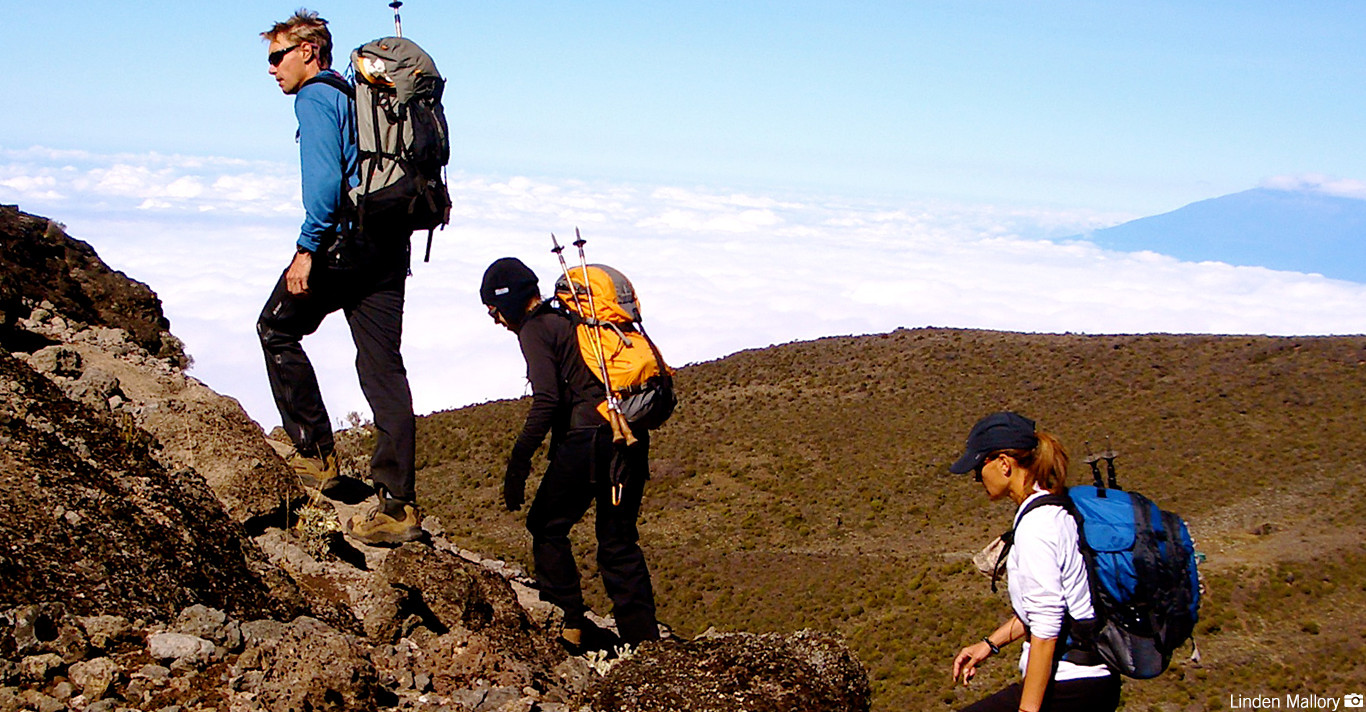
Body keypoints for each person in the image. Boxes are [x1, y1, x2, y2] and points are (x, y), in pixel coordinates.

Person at [258, 9, 421, 545]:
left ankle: (316, 454)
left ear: (309, 51)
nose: (271, 69)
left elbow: (325, 187)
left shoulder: (315, 98)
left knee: (277, 328)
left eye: (277, 56)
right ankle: (397, 506)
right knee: (382, 370)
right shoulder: (358, 96)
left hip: (343, 246)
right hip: (388, 243)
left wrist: (306, 251)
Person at [480, 257, 661, 652]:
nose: (495, 320)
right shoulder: (573, 321)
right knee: (618, 542)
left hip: (588, 441)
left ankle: (567, 621)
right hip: (628, 433)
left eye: (493, 310)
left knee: (545, 525)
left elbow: (546, 401)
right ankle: (645, 646)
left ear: (507, 302)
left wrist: (519, 463)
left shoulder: (536, 329)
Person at [948, 412, 1121, 712]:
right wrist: (988, 645)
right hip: (1093, 681)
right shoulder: (1056, 508)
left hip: (1072, 685)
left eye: (979, 466)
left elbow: (1046, 628)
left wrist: (1028, 710)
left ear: (1004, 463)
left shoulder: (1037, 526)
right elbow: (1047, 609)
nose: (977, 478)